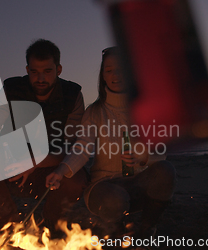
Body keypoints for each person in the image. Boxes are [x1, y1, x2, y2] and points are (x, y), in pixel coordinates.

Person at [0, 39, 88, 232]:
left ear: (58, 69)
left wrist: (35, 162)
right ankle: (9, 225)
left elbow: (71, 149)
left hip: (49, 169)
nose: (40, 78)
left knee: (76, 177)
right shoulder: (11, 89)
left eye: (47, 71)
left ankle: (52, 222)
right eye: (34, 71)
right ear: (27, 69)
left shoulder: (72, 95)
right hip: (12, 164)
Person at [46, 47, 177, 239]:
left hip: (137, 186)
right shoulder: (95, 112)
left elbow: (161, 150)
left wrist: (142, 157)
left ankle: (147, 229)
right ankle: (117, 234)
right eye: (109, 70)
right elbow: (82, 148)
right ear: (103, 76)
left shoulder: (144, 109)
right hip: (103, 188)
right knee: (115, 199)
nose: (115, 74)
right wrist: (60, 171)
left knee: (166, 170)